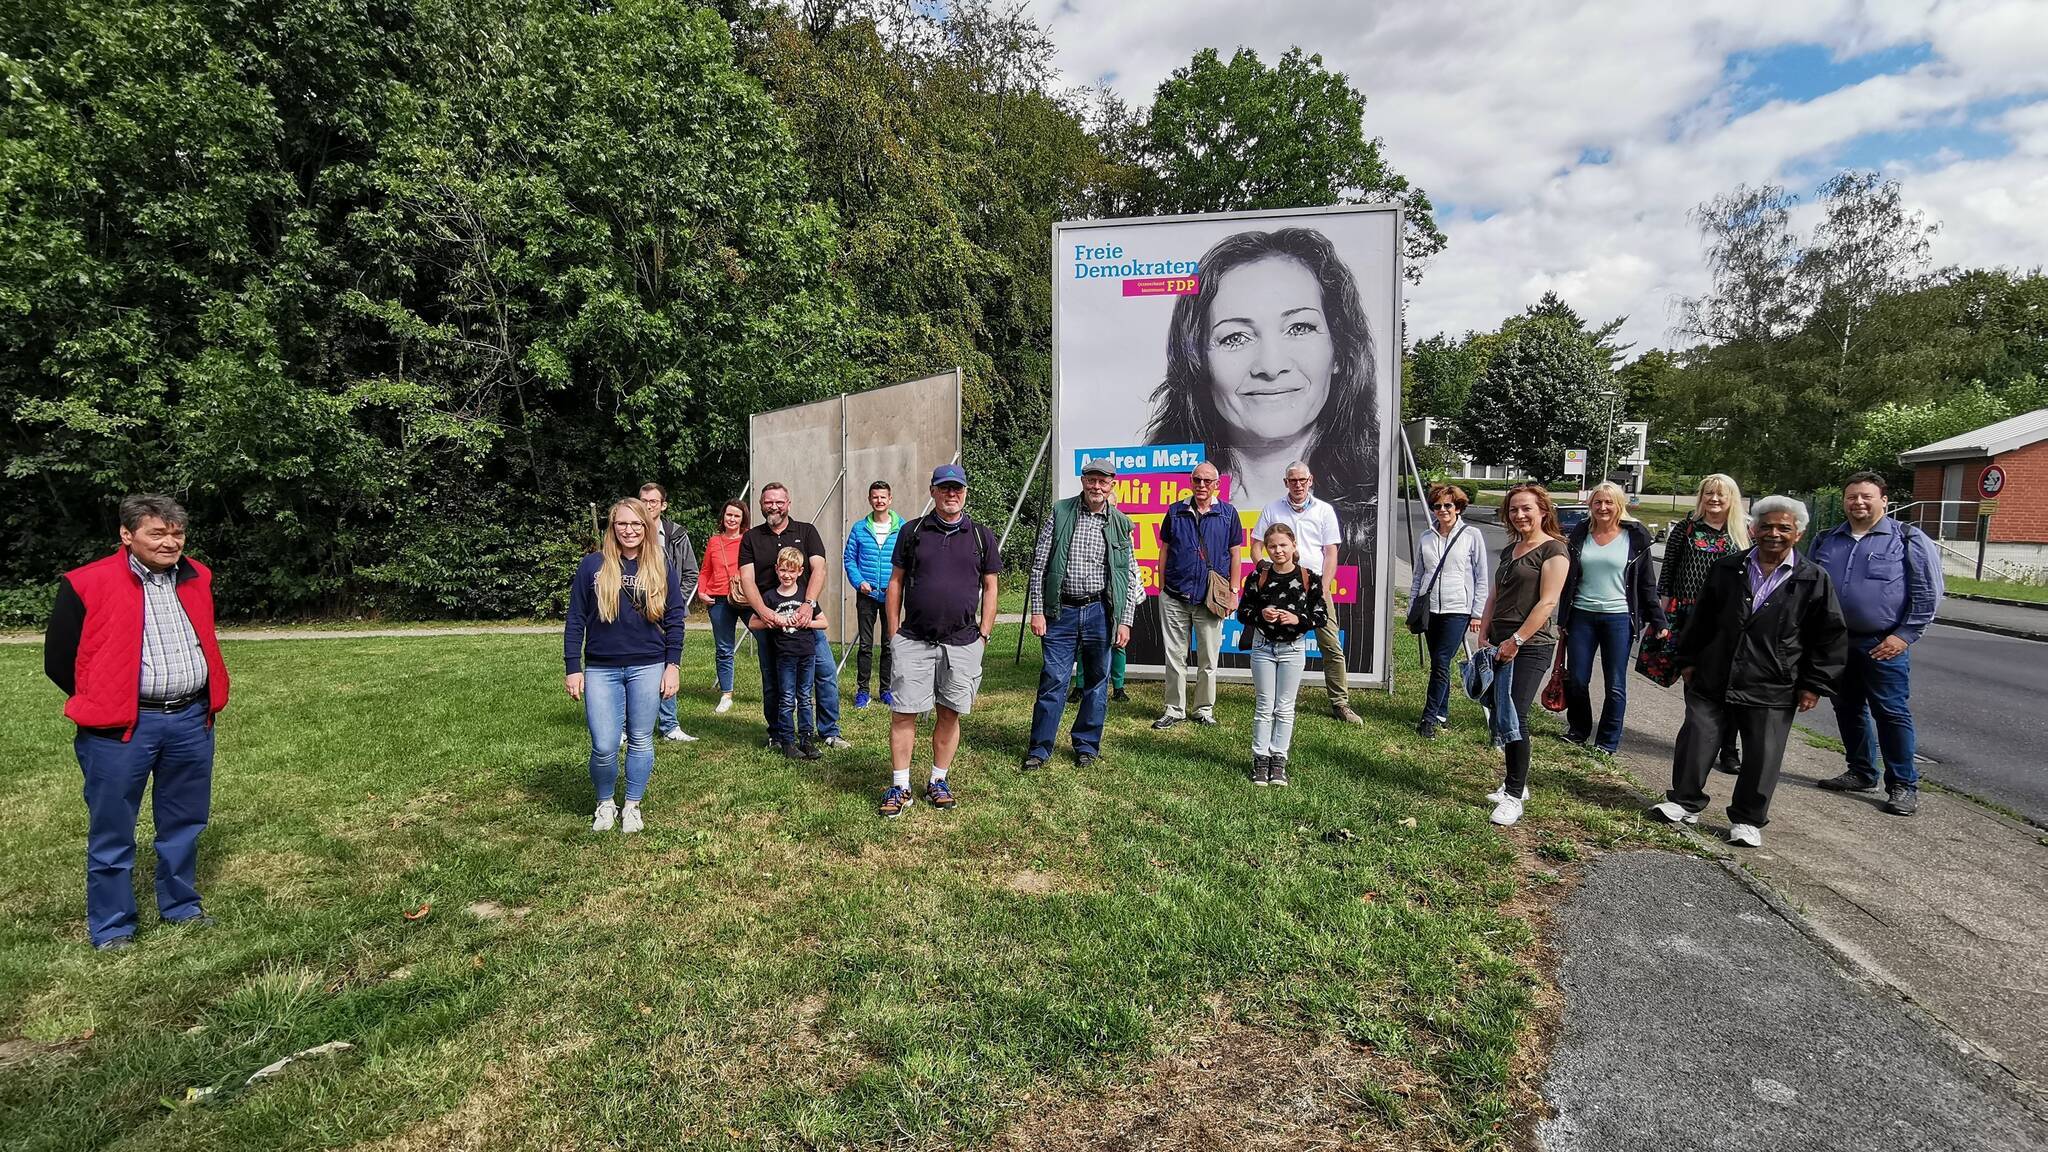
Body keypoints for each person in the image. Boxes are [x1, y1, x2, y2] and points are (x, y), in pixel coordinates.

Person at [43, 494, 230, 951]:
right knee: (112, 829)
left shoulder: (197, 576)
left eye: (176, 533)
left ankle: (181, 906)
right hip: (121, 730)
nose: (170, 543)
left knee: (184, 821)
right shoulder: (87, 583)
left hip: (190, 720)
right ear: (127, 536)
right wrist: (103, 697)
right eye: (157, 533)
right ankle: (113, 926)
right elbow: (59, 660)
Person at [1649, 497, 1847, 847]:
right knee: (1697, 736)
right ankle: (1685, 802)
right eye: (1767, 526)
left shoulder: (1813, 579)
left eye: (1784, 528)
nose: (1774, 533)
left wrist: (1814, 684)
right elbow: (1703, 617)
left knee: (1762, 753)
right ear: (1753, 530)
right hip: (1714, 673)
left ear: (1798, 534)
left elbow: (1828, 636)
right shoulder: (1728, 568)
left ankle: (1747, 819)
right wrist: (1688, 659)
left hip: (1773, 682)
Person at [1811, 471, 1943, 816]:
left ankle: (1902, 784)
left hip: (1882, 644)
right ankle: (1860, 771)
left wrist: (1905, 635)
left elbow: (1929, 593)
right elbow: (1810, 590)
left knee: (1891, 713)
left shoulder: (1907, 538)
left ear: (1884, 500)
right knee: (1847, 709)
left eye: (1866, 496)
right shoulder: (1827, 539)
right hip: (1836, 643)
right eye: (1852, 496)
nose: (1858, 502)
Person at [879, 465, 1002, 816]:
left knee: (950, 712)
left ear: (965, 493)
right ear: (932, 491)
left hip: (963, 643)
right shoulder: (913, 531)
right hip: (914, 639)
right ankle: (900, 786)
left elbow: (991, 587)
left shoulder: (981, 536)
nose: (952, 494)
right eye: (945, 488)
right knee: (904, 712)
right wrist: (893, 633)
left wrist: (984, 634)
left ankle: (938, 780)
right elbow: (896, 582)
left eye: (958, 489)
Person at [565, 497, 684, 834]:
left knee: (641, 739)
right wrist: (573, 666)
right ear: (612, 527)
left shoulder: (660, 563)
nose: (629, 530)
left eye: (636, 524)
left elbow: (675, 617)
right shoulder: (593, 565)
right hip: (601, 667)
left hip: (648, 664)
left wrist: (672, 665)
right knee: (603, 744)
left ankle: (632, 804)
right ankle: (605, 803)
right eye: (622, 524)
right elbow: (575, 619)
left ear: (646, 527)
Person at [1024, 457, 1142, 771]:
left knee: (1096, 683)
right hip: (1060, 611)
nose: (1096, 486)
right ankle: (1039, 748)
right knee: (1054, 679)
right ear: (1083, 481)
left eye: (1103, 481)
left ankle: (1086, 745)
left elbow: (1130, 575)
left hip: (1100, 613)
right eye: (1091, 479)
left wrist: (1125, 619)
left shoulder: (1120, 523)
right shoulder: (1060, 512)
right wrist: (1038, 611)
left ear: (1112, 485)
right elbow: (1039, 565)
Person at [1473, 484, 1570, 827]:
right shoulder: (1510, 551)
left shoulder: (1554, 549)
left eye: (1526, 508)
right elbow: (1494, 596)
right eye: (1514, 509)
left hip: (1532, 645)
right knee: (1500, 710)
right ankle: (1516, 782)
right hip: (1499, 642)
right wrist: (1485, 632)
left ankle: (1514, 795)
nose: (1520, 515)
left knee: (1515, 714)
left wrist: (1517, 639)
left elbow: (1547, 602)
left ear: (1543, 510)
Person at [1556, 482, 1667, 754]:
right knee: (1578, 679)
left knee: (1615, 684)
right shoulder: (1581, 532)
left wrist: (1658, 619)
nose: (1603, 507)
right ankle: (1579, 729)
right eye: (1598, 502)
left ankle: (1606, 742)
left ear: (1619, 505)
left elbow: (1646, 583)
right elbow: (1569, 580)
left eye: (1609, 502)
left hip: (1618, 618)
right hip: (1582, 615)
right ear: (1591, 505)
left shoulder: (1636, 536)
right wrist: (1562, 619)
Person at [737, 483, 848, 751]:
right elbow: (747, 579)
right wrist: (765, 613)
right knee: (773, 679)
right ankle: (777, 734)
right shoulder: (751, 538)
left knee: (824, 673)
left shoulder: (806, 531)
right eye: (767, 502)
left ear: (788, 503)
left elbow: (819, 568)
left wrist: (809, 605)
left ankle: (829, 731)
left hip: (804, 617)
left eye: (779, 502)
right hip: (770, 619)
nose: (773, 506)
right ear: (761, 505)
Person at [1252, 462, 1362, 724]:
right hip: (1279, 589)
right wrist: (1264, 572)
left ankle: (1340, 703)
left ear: (1311, 480)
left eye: (1302, 480)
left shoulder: (1324, 510)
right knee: (1271, 643)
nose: (1298, 485)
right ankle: (1274, 701)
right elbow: (1256, 546)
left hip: (1313, 588)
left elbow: (1331, 553)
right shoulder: (1272, 509)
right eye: (1293, 481)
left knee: (1331, 645)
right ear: (1285, 482)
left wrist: (1322, 588)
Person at [1657, 474, 1749, 773]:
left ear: (1732, 498)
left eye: (1721, 495)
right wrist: (1662, 617)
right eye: (1709, 493)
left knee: (1729, 684)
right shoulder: (1686, 529)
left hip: (1729, 620)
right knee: (1693, 681)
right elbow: (1667, 574)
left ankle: (1729, 748)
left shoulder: (1744, 533)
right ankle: (1698, 741)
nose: (1714, 499)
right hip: (1688, 616)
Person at [1151, 461, 1244, 731]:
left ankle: (1203, 709)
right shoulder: (1176, 511)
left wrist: (1234, 591)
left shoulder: (1228, 514)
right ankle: (1174, 709)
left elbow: (1236, 553)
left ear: (1217, 484)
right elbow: (1165, 549)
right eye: (1196, 480)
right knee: (1174, 656)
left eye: (1207, 481)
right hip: (1175, 596)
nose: (1201, 485)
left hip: (1210, 599)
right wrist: (1162, 585)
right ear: (1190, 482)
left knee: (1208, 660)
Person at [1235, 523, 1326, 786]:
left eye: (1283, 545)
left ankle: (1279, 759)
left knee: (1285, 707)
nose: (1278, 551)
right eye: (1272, 546)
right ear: (1266, 548)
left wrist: (1298, 618)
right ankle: (1260, 759)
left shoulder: (1309, 578)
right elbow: (1243, 612)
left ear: (1294, 545)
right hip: (1263, 647)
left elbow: (1321, 616)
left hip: (1293, 649)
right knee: (1265, 706)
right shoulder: (1258, 577)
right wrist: (1260, 614)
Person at [1411, 483, 1489, 739]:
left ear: (1458, 507)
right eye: (1437, 506)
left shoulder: (1471, 535)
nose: (1442, 510)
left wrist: (1477, 612)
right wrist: (1413, 606)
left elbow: (1481, 576)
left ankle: (1429, 717)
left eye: (1448, 505)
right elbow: (1418, 575)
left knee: (1442, 663)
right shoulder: (1426, 537)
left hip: (1458, 609)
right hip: (1430, 609)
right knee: (1438, 663)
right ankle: (1442, 711)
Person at [638, 482, 701, 742]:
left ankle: (669, 725)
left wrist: (675, 604)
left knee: (669, 665)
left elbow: (690, 573)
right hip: (634, 611)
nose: (648, 505)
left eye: (653, 501)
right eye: (643, 500)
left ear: (663, 505)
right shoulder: (629, 531)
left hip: (667, 613)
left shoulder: (676, 535)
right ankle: (626, 726)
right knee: (632, 666)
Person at [752, 547, 829, 760]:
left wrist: (806, 622)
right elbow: (753, 622)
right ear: (777, 570)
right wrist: (775, 620)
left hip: (807, 654)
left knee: (805, 697)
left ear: (800, 571)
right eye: (783, 570)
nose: (787, 575)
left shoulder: (806, 596)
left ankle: (807, 739)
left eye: (792, 571)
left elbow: (824, 622)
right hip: (784, 655)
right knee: (786, 698)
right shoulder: (769, 597)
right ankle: (787, 741)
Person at [843, 480, 904, 709]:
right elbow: (849, 559)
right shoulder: (859, 528)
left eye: (883, 497)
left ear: (890, 499)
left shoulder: (902, 527)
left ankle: (886, 690)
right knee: (866, 645)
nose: (879, 501)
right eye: (875, 497)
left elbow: (907, 560)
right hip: (866, 595)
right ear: (870, 499)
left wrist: (898, 584)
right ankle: (863, 691)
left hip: (892, 595)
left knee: (889, 644)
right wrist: (859, 582)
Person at [696, 499, 749, 715]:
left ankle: (776, 689)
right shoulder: (714, 542)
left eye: (737, 516)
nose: (732, 519)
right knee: (724, 649)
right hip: (718, 599)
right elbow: (705, 570)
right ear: (723, 517)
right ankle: (726, 694)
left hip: (745, 598)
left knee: (767, 641)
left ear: (742, 519)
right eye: (729, 515)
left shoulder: (748, 539)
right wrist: (701, 591)